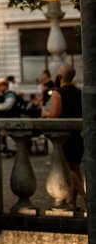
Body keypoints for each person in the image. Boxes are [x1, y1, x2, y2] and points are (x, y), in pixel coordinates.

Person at [41, 65, 84, 207]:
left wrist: (45, 113)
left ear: (60, 77)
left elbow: (55, 115)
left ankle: (86, 197)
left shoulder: (57, 93)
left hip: (65, 137)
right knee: (76, 169)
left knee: (67, 168)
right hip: (78, 135)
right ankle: (72, 201)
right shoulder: (79, 92)